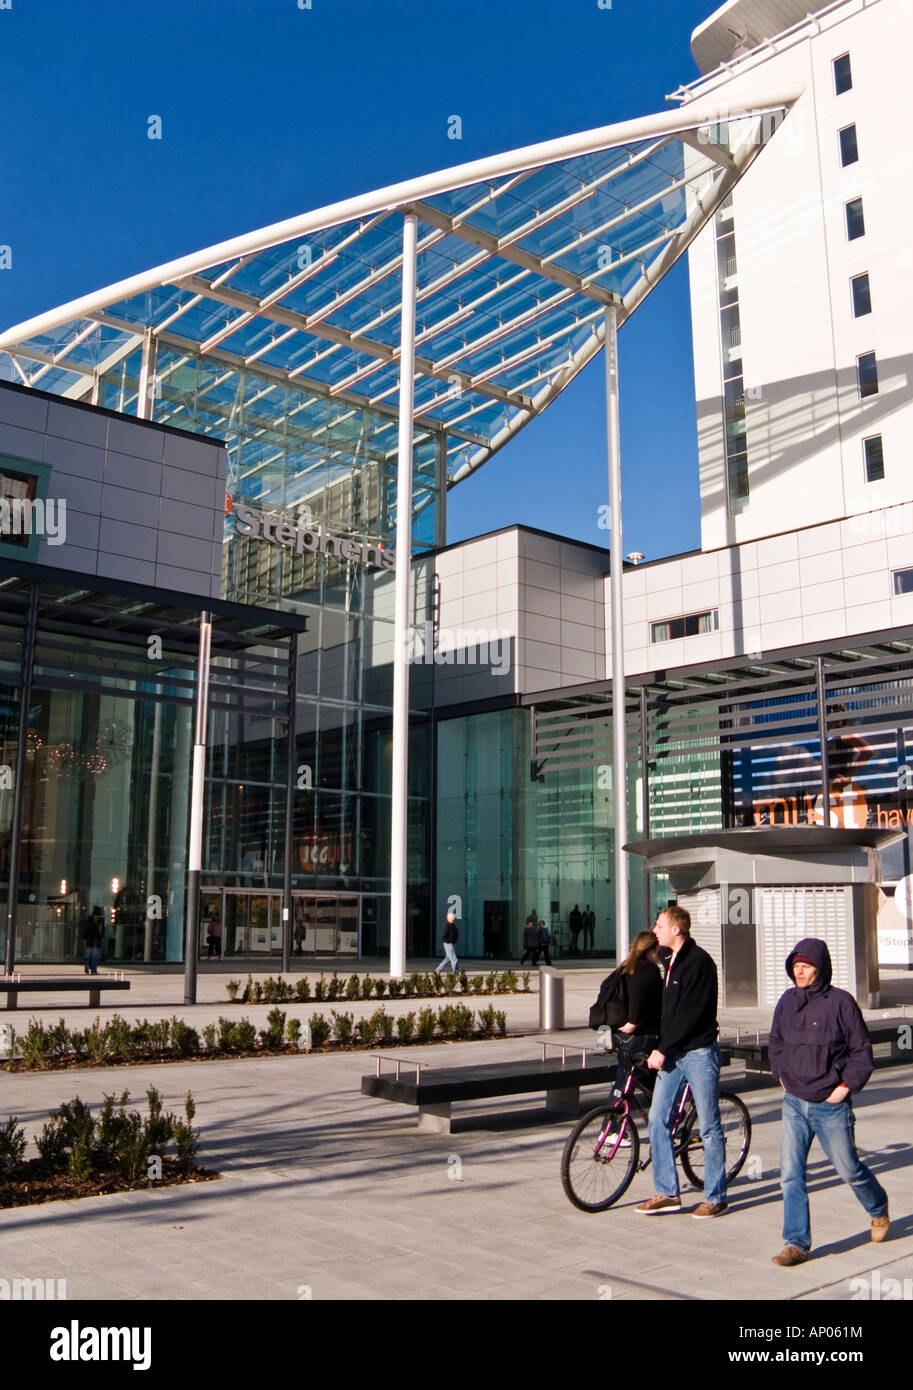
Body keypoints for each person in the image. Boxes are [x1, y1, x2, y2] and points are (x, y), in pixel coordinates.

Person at [767, 937, 889, 1267]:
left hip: (830, 1105)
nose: (800, 971)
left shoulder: (841, 1003)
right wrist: (781, 1073)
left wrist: (845, 1087)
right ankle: (796, 1243)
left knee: (849, 1169)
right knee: (791, 1175)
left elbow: (861, 1052)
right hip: (794, 1102)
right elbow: (775, 1041)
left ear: (820, 968)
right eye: (795, 966)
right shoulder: (787, 1002)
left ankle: (878, 1208)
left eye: (805, 966)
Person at [636, 904, 727, 1218]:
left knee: (710, 1126)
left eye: (660, 925)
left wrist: (662, 1048)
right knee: (658, 1119)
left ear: (677, 929)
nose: (655, 930)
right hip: (673, 1052)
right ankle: (667, 1192)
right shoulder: (668, 958)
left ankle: (715, 1196)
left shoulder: (698, 963)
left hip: (698, 1053)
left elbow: (690, 1015)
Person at [608, 930, 664, 1103]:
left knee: (627, 1080)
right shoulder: (648, 969)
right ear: (651, 950)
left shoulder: (624, 967)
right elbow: (638, 994)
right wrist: (633, 1021)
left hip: (620, 1035)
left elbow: (605, 992)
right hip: (643, 1034)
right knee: (633, 1080)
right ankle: (665, 1120)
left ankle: (611, 1126)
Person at [83, 905, 105, 976]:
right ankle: (93, 970)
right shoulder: (100, 920)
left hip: (89, 940)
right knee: (96, 956)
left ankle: (87, 964)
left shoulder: (89, 919)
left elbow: (86, 930)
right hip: (96, 940)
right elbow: (100, 931)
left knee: (91, 954)